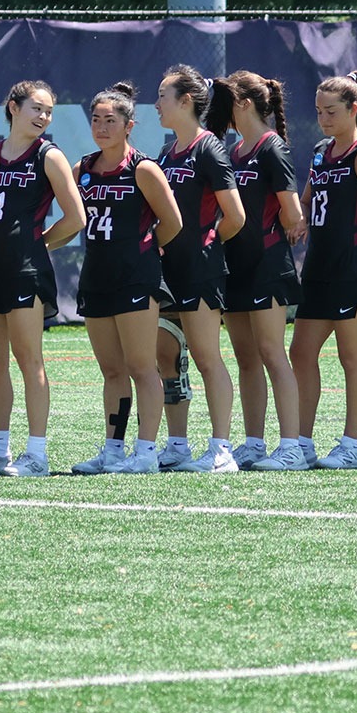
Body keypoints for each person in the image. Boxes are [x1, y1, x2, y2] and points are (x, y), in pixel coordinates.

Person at [0, 80, 86, 477]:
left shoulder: (48, 156)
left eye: (49, 111)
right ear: (13, 107)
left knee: (28, 359)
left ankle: (36, 453)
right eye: (37, 108)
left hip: (25, 273)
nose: (43, 117)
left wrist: (38, 246)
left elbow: (76, 218)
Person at [70, 83, 184, 474]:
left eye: (111, 120)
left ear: (128, 125)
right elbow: (71, 218)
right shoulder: (82, 168)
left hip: (137, 277)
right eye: (96, 120)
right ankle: (113, 450)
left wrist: (148, 249)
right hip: (97, 276)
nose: (102, 127)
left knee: (141, 366)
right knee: (112, 370)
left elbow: (171, 222)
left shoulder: (143, 168)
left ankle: (147, 452)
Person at [288, 72, 357, 470]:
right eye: (318, 112)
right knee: (300, 352)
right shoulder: (321, 151)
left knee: (351, 356)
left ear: (353, 110)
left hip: (355, 268)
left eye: (331, 111)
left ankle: (350, 444)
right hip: (319, 266)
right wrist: (299, 221)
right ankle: (301, 442)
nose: (323, 119)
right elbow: (308, 198)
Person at [205, 71, 305, 469]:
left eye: (226, 100)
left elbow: (293, 211)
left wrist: (277, 229)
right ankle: (253, 442)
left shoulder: (270, 147)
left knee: (271, 353)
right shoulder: (236, 150)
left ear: (243, 103)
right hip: (236, 265)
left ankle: (292, 446)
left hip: (267, 264)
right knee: (246, 357)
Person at [153, 65, 246, 472]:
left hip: (200, 270)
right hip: (167, 270)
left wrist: (205, 244)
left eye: (162, 95)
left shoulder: (209, 149)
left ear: (185, 101)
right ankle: (176, 445)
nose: (157, 104)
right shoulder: (166, 152)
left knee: (208, 358)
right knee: (167, 356)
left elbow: (235, 216)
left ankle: (221, 449)